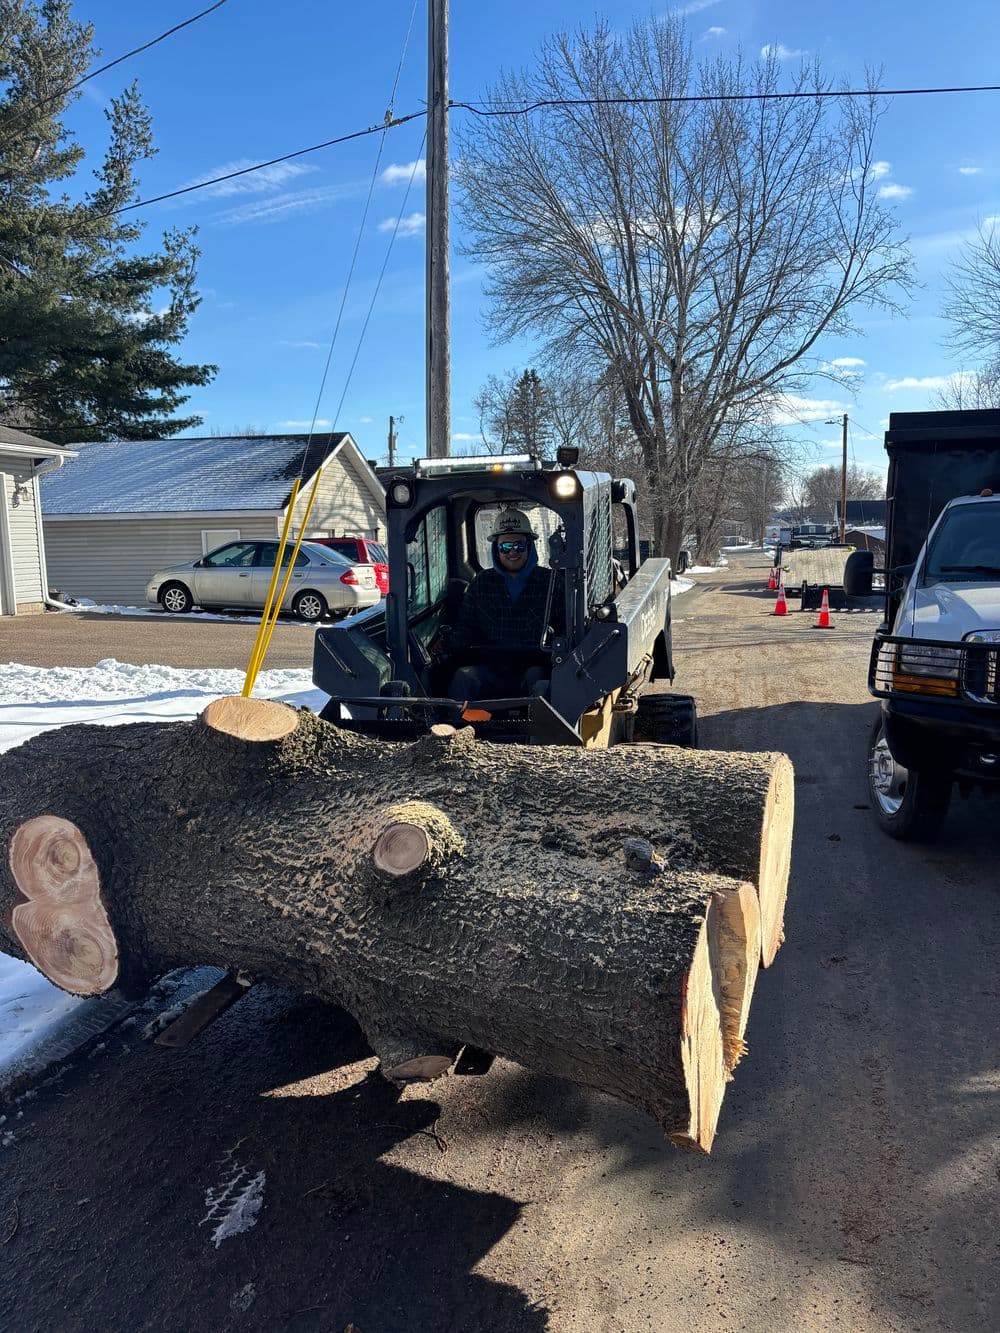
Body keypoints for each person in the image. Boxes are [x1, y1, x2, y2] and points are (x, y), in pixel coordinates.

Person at [447, 508, 563, 701]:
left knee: (541, 684)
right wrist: (450, 646)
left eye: (519, 545)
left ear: (530, 546)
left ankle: (539, 722)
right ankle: (456, 721)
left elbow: (564, 627)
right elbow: (466, 626)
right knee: (464, 677)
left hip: (535, 665)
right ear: (496, 549)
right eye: (506, 546)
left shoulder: (552, 583)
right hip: (491, 666)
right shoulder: (482, 583)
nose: (513, 552)